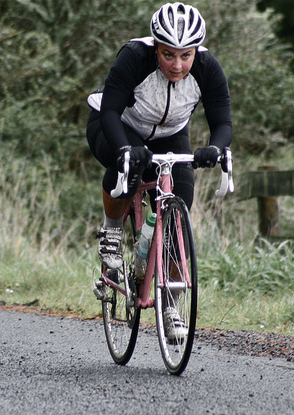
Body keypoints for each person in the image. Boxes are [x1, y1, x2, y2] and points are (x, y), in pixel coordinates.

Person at [87, 2, 232, 271]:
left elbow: (223, 123)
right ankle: (112, 228)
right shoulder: (134, 56)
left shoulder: (207, 68)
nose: (177, 65)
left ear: (195, 51)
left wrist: (214, 148)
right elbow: (109, 111)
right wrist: (124, 149)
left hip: (170, 134)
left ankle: (172, 307)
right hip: (118, 123)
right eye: (168, 55)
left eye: (185, 56)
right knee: (130, 166)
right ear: (156, 47)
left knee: (181, 213)